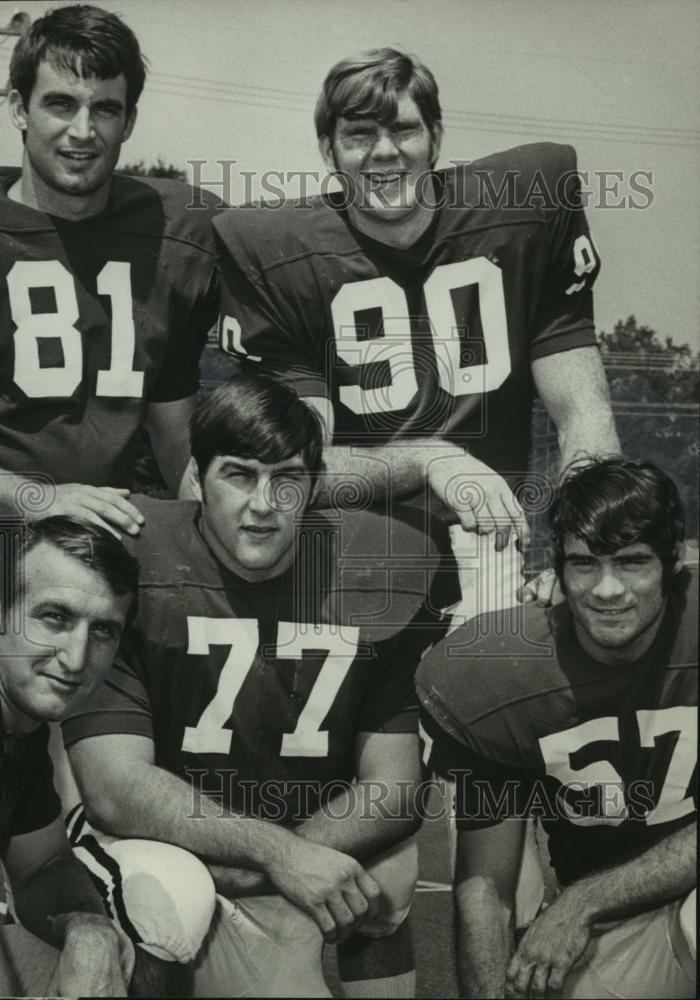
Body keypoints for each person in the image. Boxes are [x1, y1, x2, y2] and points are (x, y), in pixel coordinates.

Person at [212, 45, 622, 940]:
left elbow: (582, 410)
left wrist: (578, 540)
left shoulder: (526, 208)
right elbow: (301, 464)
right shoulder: (274, 251)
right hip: (354, 562)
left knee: (501, 859)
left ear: (437, 137)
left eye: (402, 127)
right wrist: (433, 455)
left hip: (489, 558)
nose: (383, 152)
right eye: (359, 134)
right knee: (379, 891)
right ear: (330, 149)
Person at [61, 374, 454, 997]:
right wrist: (276, 855)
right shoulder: (135, 555)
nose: (264, 503)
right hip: (162, 837)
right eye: (239, 474)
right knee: (168, 904)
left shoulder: (379, 565)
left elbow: (395, 788)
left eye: (288, 479)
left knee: (389, 876)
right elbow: (115, 789)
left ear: (315, 485)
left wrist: (284, 855)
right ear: (196, 477)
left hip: (304, 833)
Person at [0, 3, 220, 657]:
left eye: (105, 108)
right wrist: (36, 498)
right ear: (19, 106)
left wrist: (223, 524)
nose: (83, 130)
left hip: (99, 567)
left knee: (92, 756)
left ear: (129, 118)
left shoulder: (178, 238)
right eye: (60, 103)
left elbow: (174, 440)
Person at [416, 456, 697, 999]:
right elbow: (487, 886)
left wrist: (583, 901)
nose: (608, 589)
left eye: (634, 562)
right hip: (607, 938)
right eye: (585, 563)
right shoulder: (493, 674)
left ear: (674, 561)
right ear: (557, 571)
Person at [0, 516, 144, 998]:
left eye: (102, 631)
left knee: (114, 962)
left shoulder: (13, 711)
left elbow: (43, 868)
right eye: (54, 617)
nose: (76, 658)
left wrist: (87, 926)